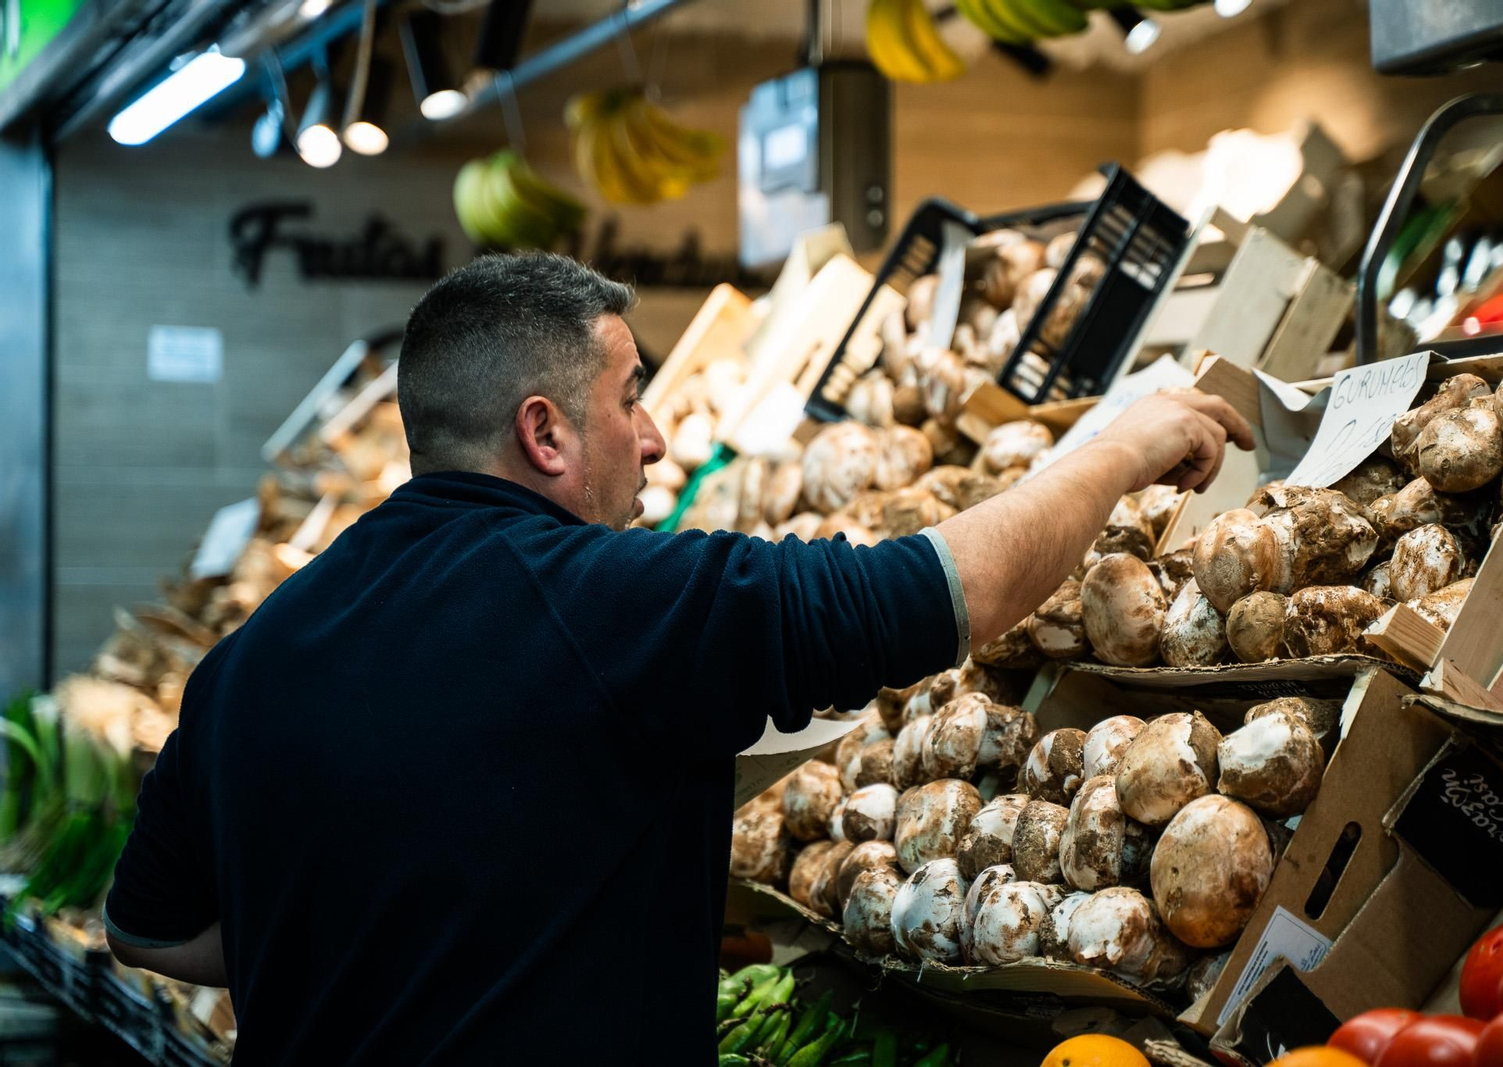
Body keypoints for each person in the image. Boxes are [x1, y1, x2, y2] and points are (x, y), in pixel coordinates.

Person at [104, 253, 1252, 1063]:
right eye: (632, 398)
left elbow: (146, 926)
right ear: (544, 431)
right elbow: (951, 591)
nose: (655, 438)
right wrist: (1120, 448)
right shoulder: (612, 601)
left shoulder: (250, 658)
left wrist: (355, 947)